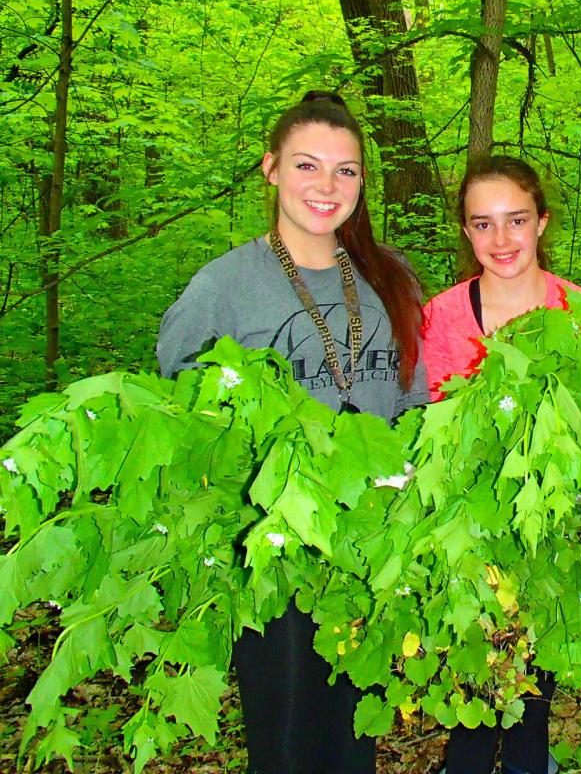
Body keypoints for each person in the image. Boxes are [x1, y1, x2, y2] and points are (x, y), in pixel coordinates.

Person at [157, 91, 427, 774]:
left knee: (351, 738)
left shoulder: (389, 277)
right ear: (271, 167)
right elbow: (182, 411)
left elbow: (415, 403)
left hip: (367, 541)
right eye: (308, 165)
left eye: (347, 171)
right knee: (284, 739)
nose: (327, 187)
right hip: (271, 544)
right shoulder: (224, 286)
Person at [423, 154, 581, 774]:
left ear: (542, 223)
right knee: (477, 679)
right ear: (466, 231)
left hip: (556, 523)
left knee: (536, 691)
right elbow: (437, 420)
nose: (501, 240)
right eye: (482, 224)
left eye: (516, 220)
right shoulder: (445, 314)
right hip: (473, 524)